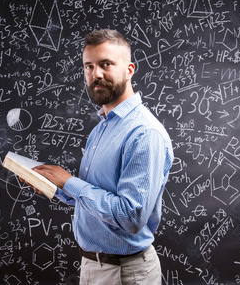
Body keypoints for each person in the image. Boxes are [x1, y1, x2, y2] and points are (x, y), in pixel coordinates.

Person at [27, 29, 174, 284]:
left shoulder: (144, 133)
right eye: (89, 66)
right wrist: (55, 187)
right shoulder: (102, 127)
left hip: (124, 273)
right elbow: (97, 198)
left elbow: (130, 217)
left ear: (129, 70)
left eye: (106, 64)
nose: (96, 74)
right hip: (93, 266)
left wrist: (69, 182)